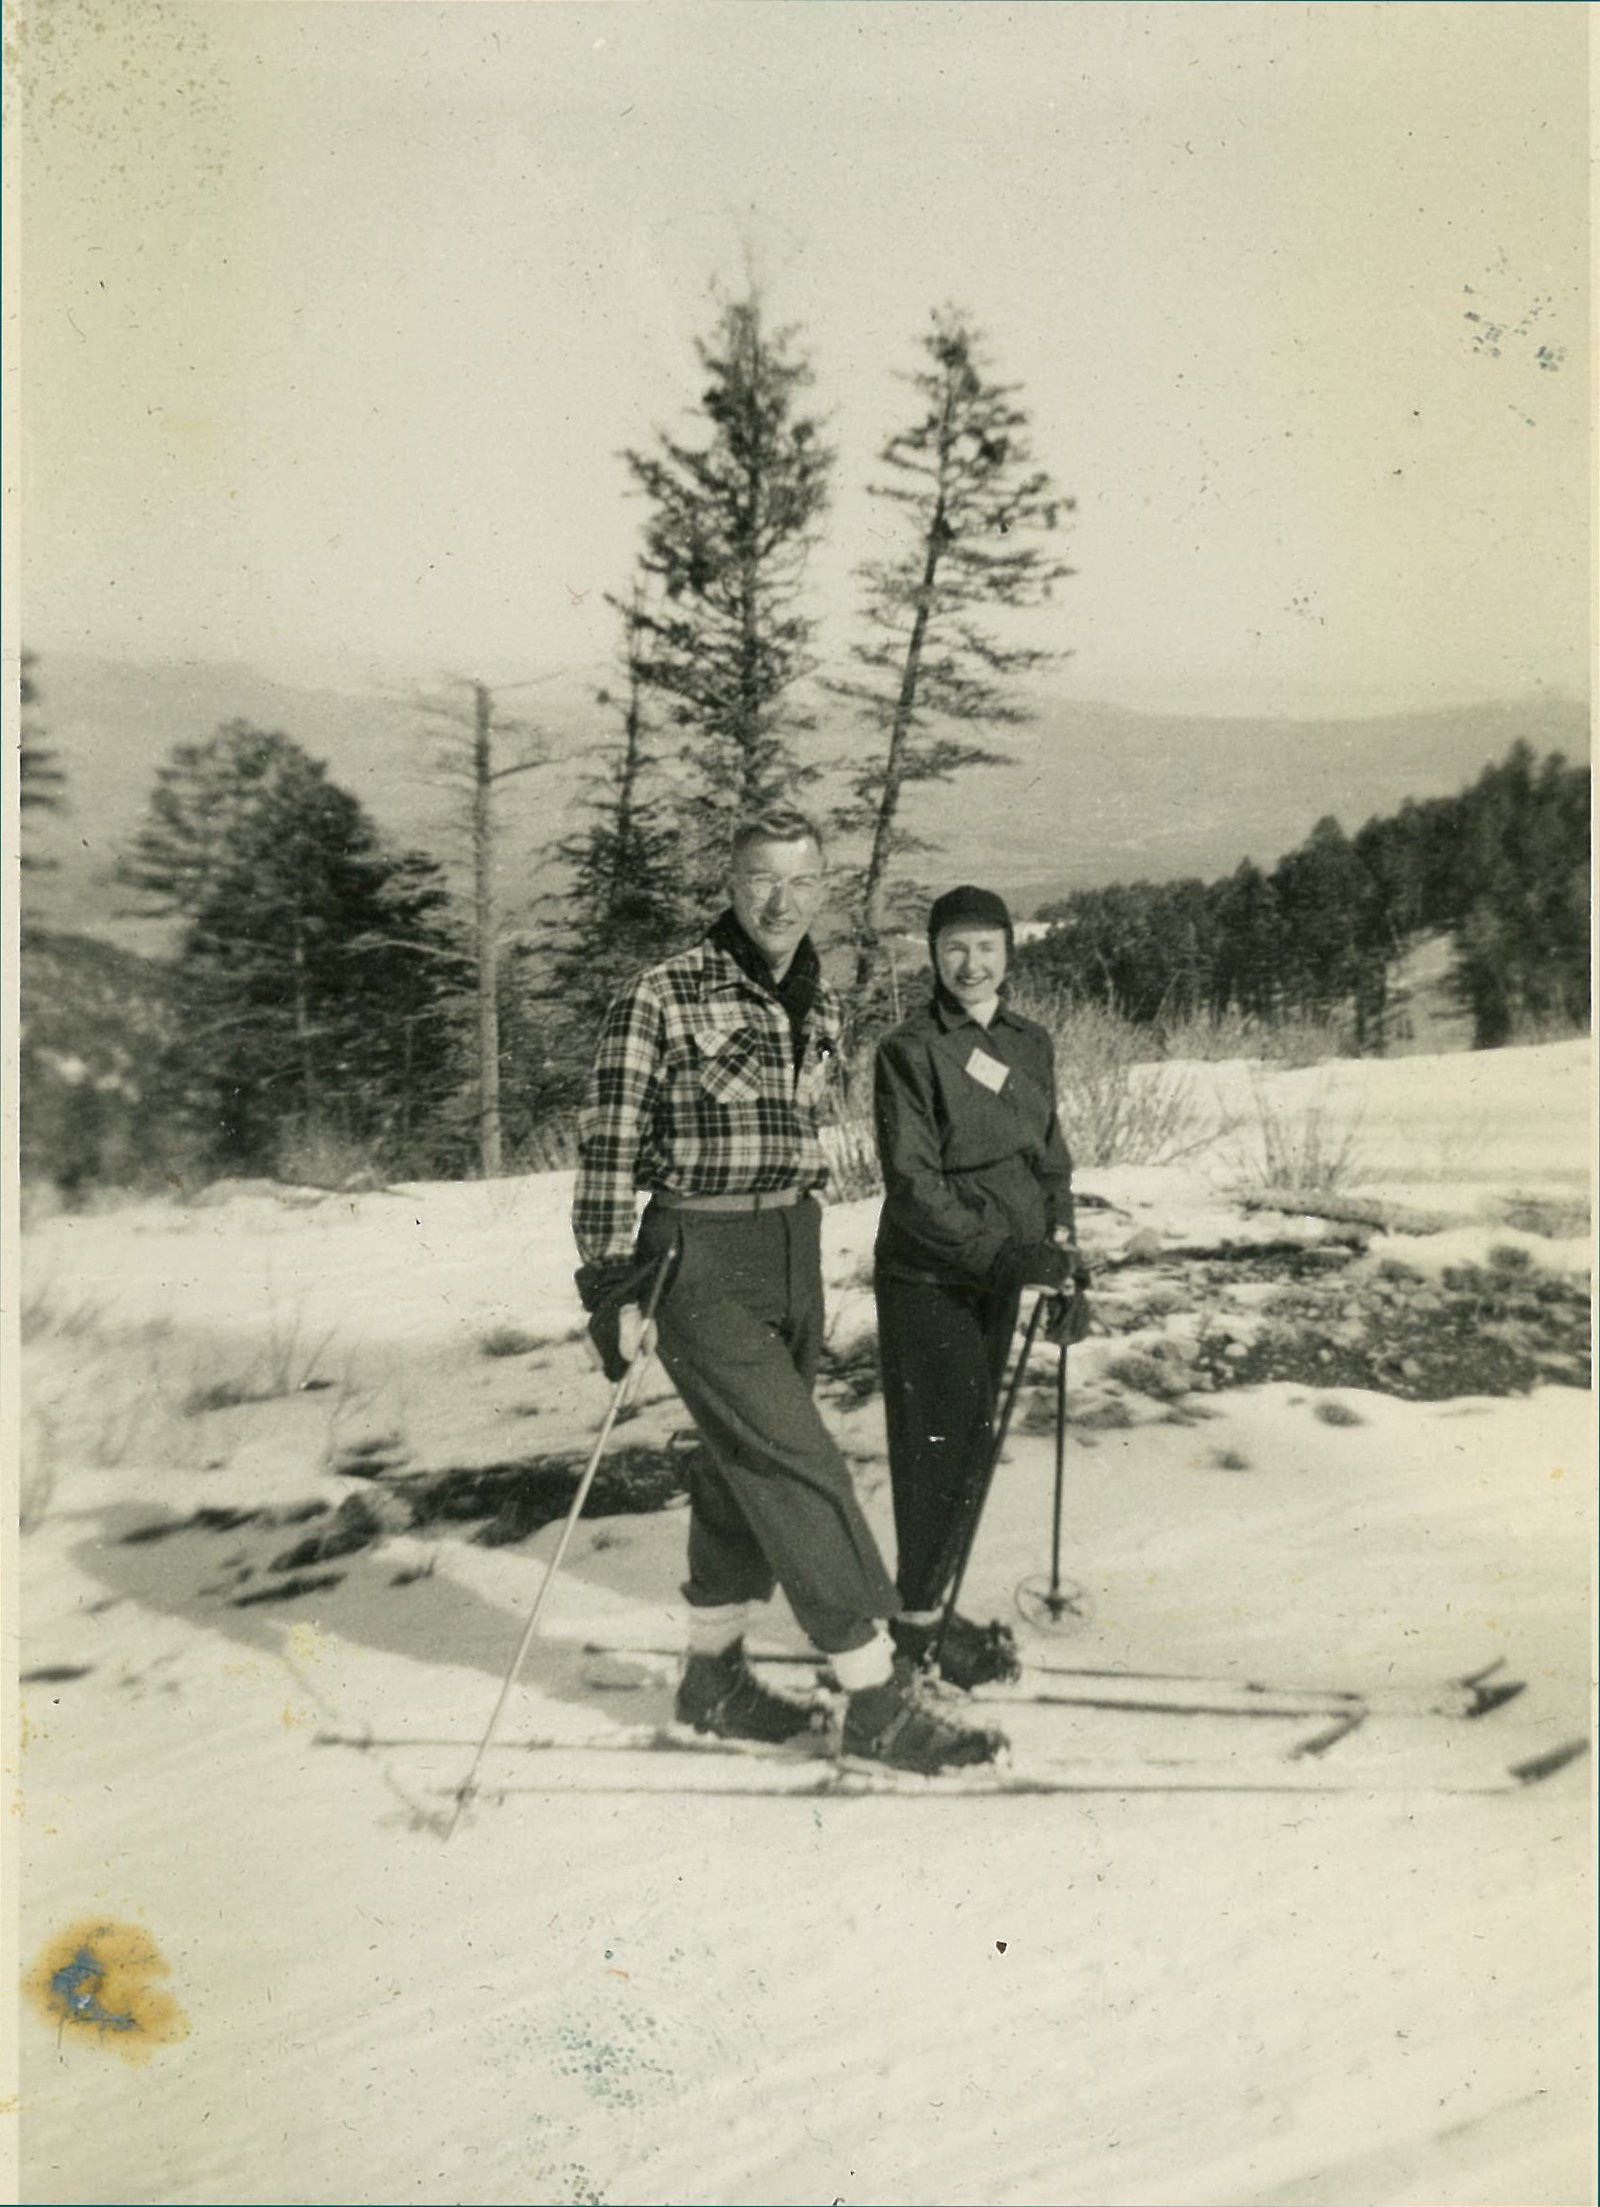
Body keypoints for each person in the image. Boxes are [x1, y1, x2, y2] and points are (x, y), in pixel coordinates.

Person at [572, 807, 1000, 1774]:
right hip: (697, 1252)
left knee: (744, 1467)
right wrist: (608, 1284)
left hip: (792, 1244)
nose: (781, 900)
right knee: (802, 1466)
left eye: (802, 881)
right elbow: (606, 1147)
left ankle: (712, 1679)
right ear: (731, 884)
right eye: (763, 879)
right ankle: (876, 1699)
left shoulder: (820, 997)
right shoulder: (662, 993)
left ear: (822, 889)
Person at [872, 884, 1091, 1689]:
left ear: (1009, 951)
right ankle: (917, 1631)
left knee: (972, 1446)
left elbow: (1050, 1161)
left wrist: (1061, 1252)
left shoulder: (1029, 1043)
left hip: (1004, 1269)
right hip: (930, 1276)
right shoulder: (909, 1049)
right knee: (937, 1453)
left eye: (986, 947)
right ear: (933, 955)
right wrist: (1008, 1256)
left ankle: (930, 1608)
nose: (971, 964)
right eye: (954, 948)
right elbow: (913, 1184)